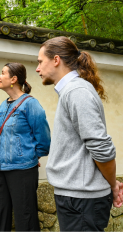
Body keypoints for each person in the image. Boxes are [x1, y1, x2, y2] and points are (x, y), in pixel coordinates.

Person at [36, 36, 123, 231]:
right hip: (77, 198)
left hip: (82, 201)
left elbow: (101, 149)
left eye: (40, 62)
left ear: (56, 60)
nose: (37, 68)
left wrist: (113, 185)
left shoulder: (77, 91)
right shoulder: (71, 91)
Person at [0, 62, 51, 231]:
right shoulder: (4, 104)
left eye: (2, 73)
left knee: (25, 217)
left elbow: (44, 140)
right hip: (0, 168)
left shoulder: (31, 104)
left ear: (13, 79)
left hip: (22, 170)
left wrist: (31, 156)